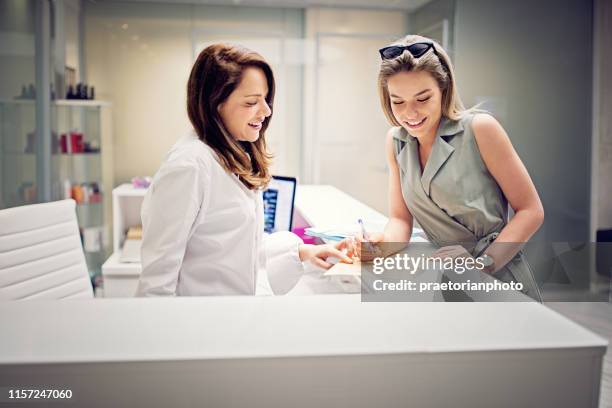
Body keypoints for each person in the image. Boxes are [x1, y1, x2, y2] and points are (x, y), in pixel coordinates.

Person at [136, 44, 351, 297]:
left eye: (265, 99)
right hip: (201, 325)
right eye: (251, 102)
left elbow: (236, 248)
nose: (266, 111)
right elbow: (156, 282)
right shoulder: (189, 166)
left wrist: (304, 251)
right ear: (215, 104)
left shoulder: (232, 155)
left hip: (233, 316)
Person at [356, 35, 543, 301]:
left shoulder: (480, 129)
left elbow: (531, 210)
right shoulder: (396, 142)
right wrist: (380, 247)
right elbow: (400, 220)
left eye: (422, 99)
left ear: (444, 90)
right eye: (398, 101)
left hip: (495, 274)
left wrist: (482, 264)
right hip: (445, 277)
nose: (410, 113)